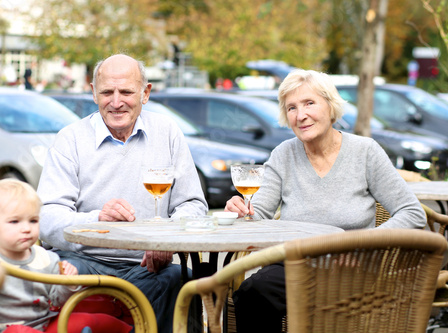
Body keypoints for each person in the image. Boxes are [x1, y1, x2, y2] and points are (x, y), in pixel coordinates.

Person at [225, 69, 426, 332]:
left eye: (310, 103)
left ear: (331, 107)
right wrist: (242, 211)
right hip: (294, 267)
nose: (301, 115)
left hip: (351, 269)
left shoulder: (365, 152)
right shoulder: (283, 154)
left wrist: (364, 245)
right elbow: (258, 215)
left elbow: (413, 213)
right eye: (292, 108)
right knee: (253, 292)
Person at [37, 53, 208, 332]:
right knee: (56, 277)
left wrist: (164, 240)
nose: (116, 102)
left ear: (145, 93)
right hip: (84, 262)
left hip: (147, 265)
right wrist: (97, 221)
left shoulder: (167, 132)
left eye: (126, 91)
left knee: (182, 279)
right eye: (107, 92)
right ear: (93, 93)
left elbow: (192, 204)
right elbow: (46, 218)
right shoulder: (70, 139)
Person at [0, 179, 130, 333]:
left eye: (33, 220)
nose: (26, 228)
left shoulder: (46, 258)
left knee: (90, 320)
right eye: (14, 221)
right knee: (16, 331)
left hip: (45, 326)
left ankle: (133, 329)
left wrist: (68, 284)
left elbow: (57, 300)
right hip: (5, 330)